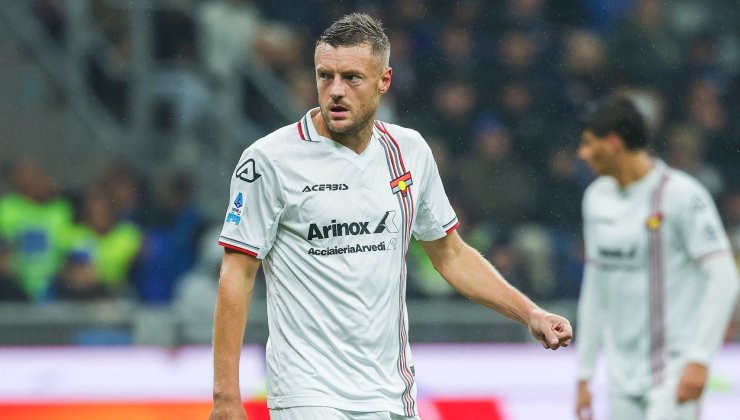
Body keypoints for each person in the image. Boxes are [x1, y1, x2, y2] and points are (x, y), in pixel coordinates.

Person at [210, 13, 573, 420]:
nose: (335, 91)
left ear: (384, 81)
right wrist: (226, 395)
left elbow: (450, 254)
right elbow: (237, 273)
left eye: (351, 78)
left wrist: (530, 313)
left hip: (391, 392)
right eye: (325, 76)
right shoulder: (269, 160)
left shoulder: (409, 151)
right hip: (308, 392)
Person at [574, 94, 740, 420]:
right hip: (620, 376)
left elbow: (724, 278)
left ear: (613, 143)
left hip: (674, 370)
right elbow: (595, 287)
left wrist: (700, 358)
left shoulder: (681, 195)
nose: (582, 153)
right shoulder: (595, 198)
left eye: (588, 143)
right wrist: (584, 373)